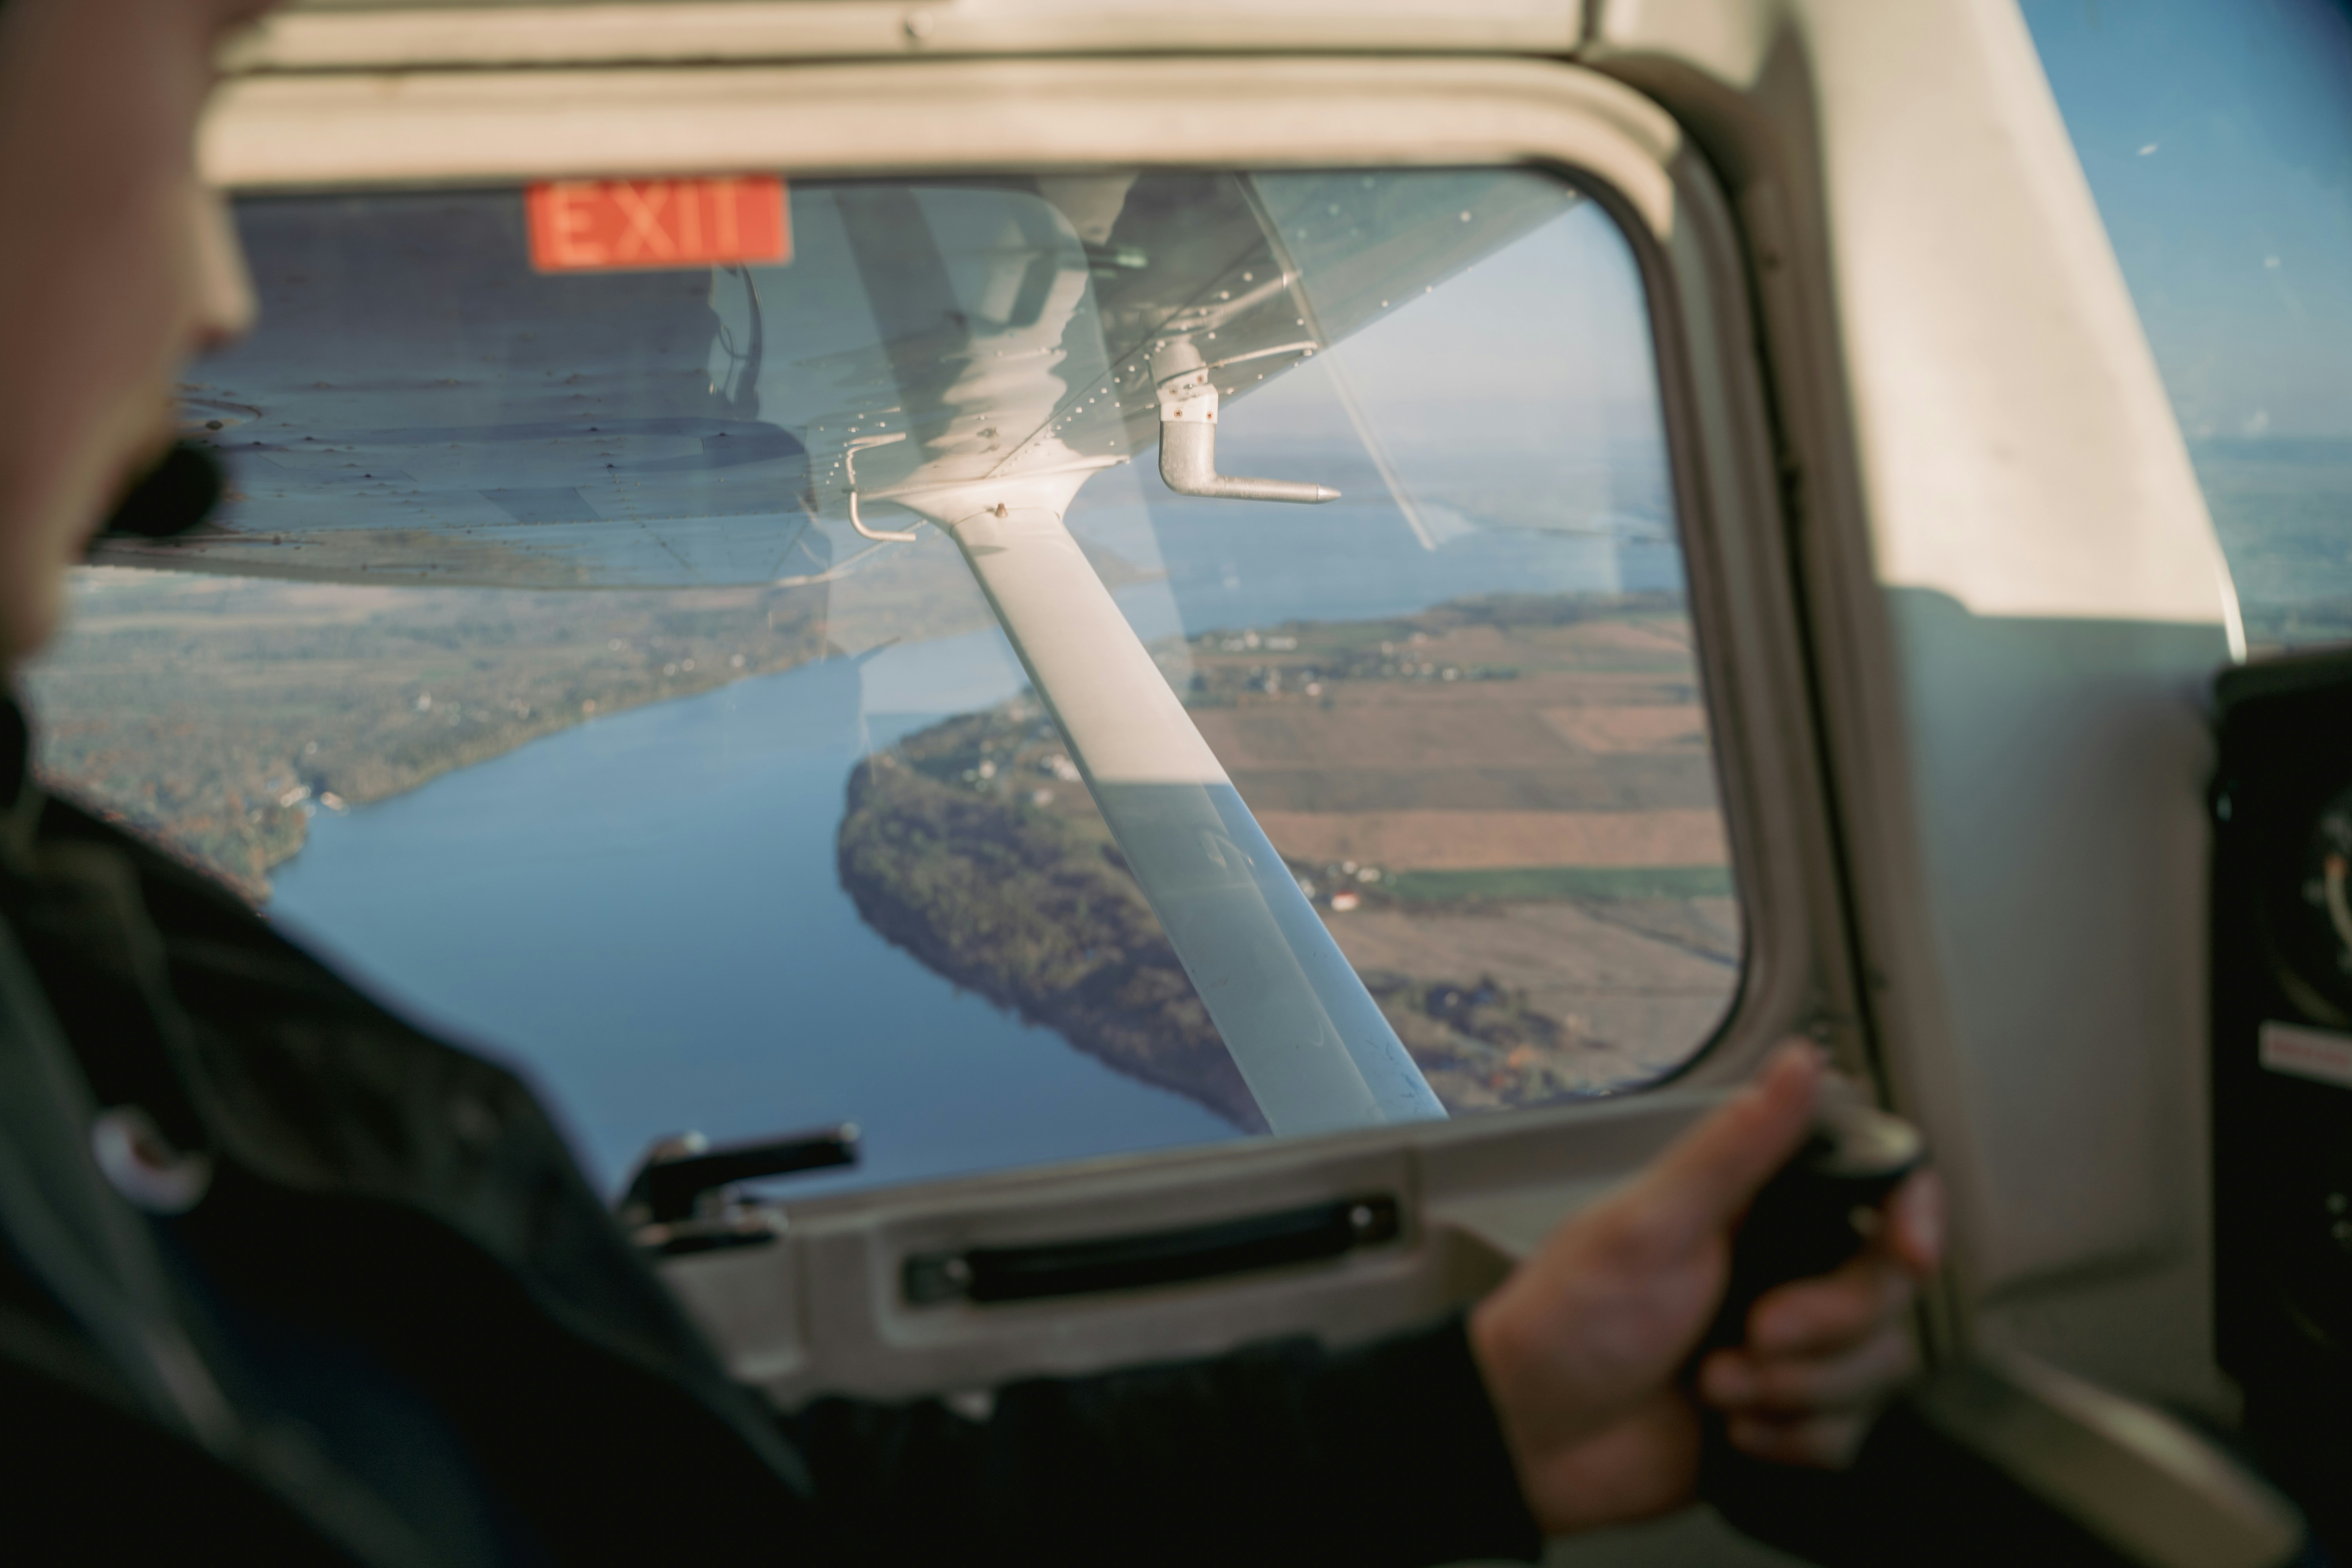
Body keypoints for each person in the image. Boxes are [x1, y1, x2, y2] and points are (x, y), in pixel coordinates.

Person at [0, 0, 1943, 1560]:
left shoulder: (69, 968)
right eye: (195, 83)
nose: (220, 290)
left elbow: (703, 1523)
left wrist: (1487, 1418)